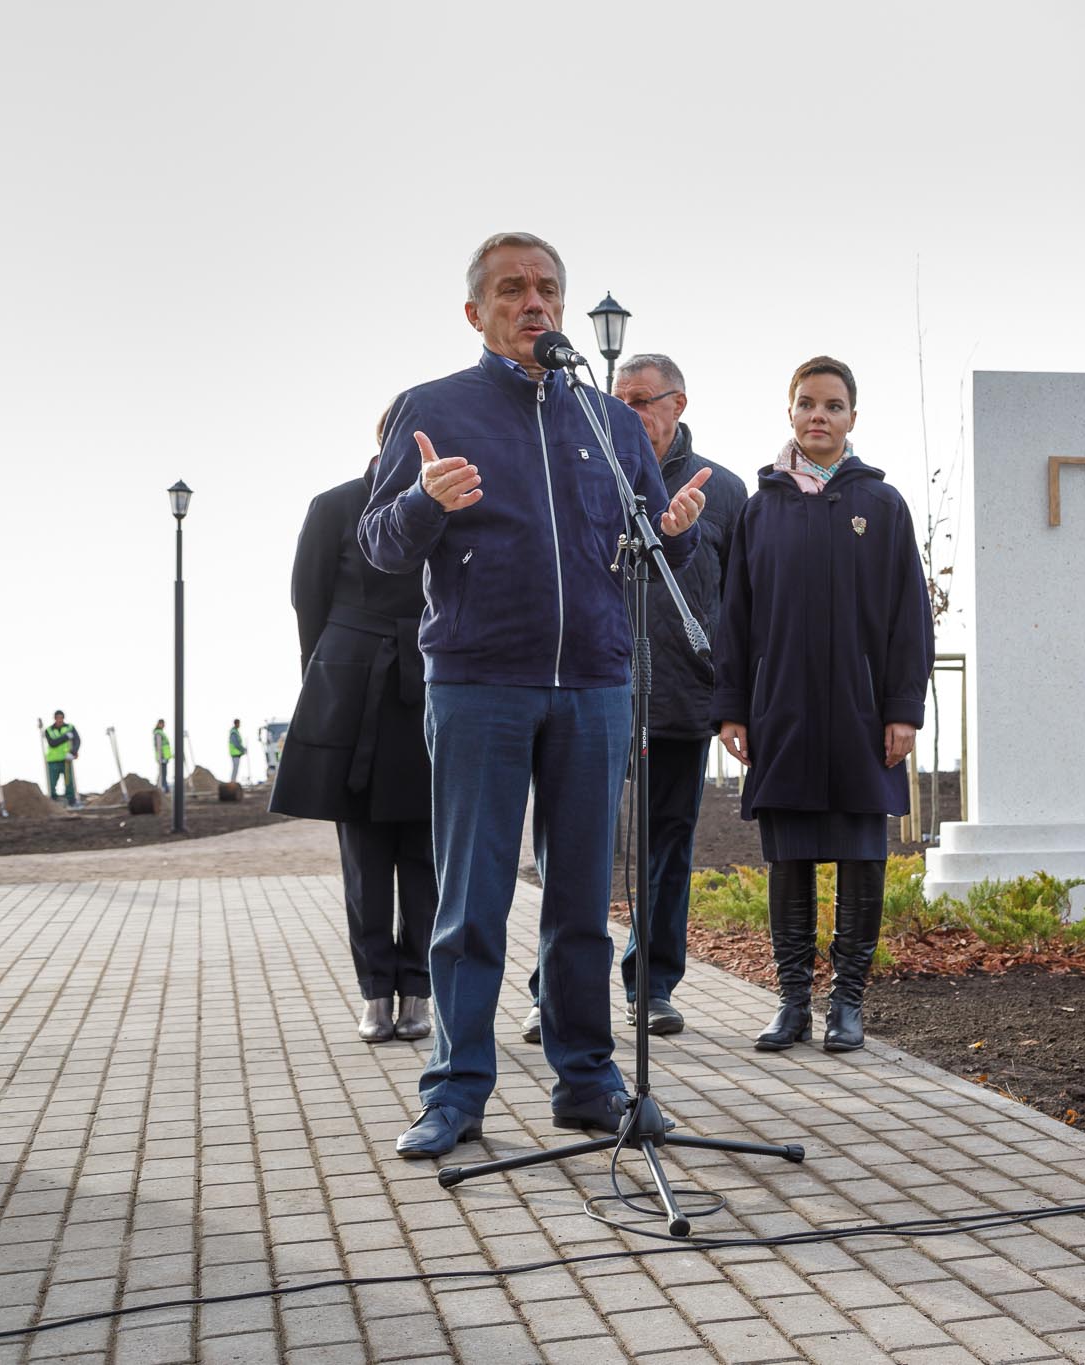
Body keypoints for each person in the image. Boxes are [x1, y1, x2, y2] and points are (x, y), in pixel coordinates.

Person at [360, 232, 709, 1160]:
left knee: (583, 902)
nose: (536, 304)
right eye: (512, 290)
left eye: (547, 288)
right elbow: (381, 547)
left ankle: (589, 1081)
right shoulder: (435, 409)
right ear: (476, 312)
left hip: (594, 684)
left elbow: (636, 550)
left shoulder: (609, 422)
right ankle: (455, 1092)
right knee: (471, 900)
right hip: (479, 682)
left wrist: (672, 536)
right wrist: (425, 500)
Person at [521, 355, 748, 1045]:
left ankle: (650, 986)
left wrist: (735, 696)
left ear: (678, 404)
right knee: (567, 847)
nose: (629, 412)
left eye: (643, 400)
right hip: (585, 691)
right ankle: (552, 990)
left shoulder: (726, 491)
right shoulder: (581, 472)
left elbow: (741, 605)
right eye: (618, 400)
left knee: (666, 848)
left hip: (678, 696)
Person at [712, 356, 932, 1054]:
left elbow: (910, 617)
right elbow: (736, 617)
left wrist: (902, 708)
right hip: (783, 715)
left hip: (863, 717)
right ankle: (792, 1003)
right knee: (792, 859)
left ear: (852, 419)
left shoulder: (884, 506)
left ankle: (848, 1003)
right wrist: (734, 708)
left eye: (833, 406)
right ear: (790, 412)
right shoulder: (760, 508)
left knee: (862, 858)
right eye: (807, 403)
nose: (819, 416)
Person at [272, 400, 440, 1046]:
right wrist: (327, 684)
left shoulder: (454, 506)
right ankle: (375, 992)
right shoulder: (333, 505)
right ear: (386, 440)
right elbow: (307, 606)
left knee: (426, 855)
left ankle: (418, 991)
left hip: (429, 688)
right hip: (353, 693)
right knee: (364, 859)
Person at [43, 711, 81, 806]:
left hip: (66, 759)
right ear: (55, 718)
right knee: (52, 782)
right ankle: (53, 801)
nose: (59, 720)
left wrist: (73, 752)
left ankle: (71, 801)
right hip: (53, 760)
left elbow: (77, 740)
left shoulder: (70, 727)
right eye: (57, 718)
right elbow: (52, 743)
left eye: (61, 718)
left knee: (69, 782)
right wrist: (66, 737)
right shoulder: (49, 730)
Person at [152, 720, 172, 794]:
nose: (164, 725)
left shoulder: (161, 733)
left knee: (163, 773)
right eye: (163, 724)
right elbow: (158, 745)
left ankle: (164, 787)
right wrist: (161, 756)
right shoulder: (158, 733)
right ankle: (164, 788)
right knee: (163, 773)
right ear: (159, 724)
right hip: (162, 757)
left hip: (164, 757)